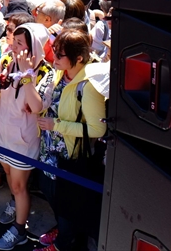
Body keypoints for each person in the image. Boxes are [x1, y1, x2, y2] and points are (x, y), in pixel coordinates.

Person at [37, 30, 108, 251]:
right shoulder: (60, 72)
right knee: (52, 195)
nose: (54, 58)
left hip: (69, 158)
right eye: (54, 52)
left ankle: (62, 243)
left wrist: (56, 125)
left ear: (78, 57)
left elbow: (98, 128)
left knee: (67, 205)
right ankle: (62, 233)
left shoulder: (88, 85)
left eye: (60, 54)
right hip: (49, 150)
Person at [0, 23, 56, 250]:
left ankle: (19, 230)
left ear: (34, 47)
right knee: (8, 173)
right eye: (13, 40)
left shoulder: (47, 72)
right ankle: (15, 204)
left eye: (20, 43)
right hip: (2, 129)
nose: (13, 46)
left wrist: (28, 74)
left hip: (23, 137)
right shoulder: (8, 60)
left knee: (19, 186)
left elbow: (37, 106)